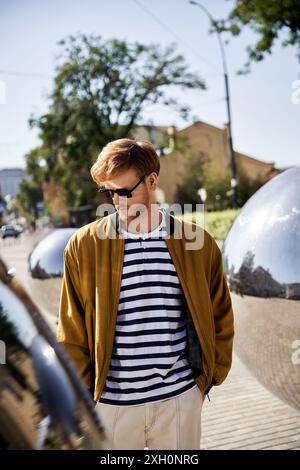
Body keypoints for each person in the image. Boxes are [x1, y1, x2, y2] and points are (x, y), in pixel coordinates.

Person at [57, 138, 234, 450]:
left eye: (125, 191)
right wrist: (84, 399)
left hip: (179, 401)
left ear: (152, 181)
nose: (117, 201)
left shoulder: (196, 244)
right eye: (109, 192)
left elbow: (221, 314)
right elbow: (71, 330)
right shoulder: (85, 246)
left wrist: (204, 383)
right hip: (112, 406)